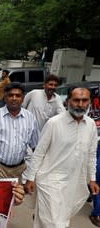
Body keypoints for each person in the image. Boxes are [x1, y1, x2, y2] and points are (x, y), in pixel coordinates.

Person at [24, 87, 99, 228]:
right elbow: (39, 152)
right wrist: (30, 178)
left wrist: (92, 179)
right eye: (76, 100)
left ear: (89, 102)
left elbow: (91, 154)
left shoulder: (90, 125)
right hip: (49, 180)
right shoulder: (54, 123)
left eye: (84, 100)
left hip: (74, 182)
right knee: (55, 224)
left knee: (58, 220)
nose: (80, 104)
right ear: (67, 101)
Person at [0, 82, 39, 180]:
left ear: (23, 98)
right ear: (5, 97)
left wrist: (32, 175)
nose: (14, 98)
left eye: (18, 96)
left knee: (15, 195)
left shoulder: (30, 118)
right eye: (10, 95)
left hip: (19, 170)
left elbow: (36, 147)